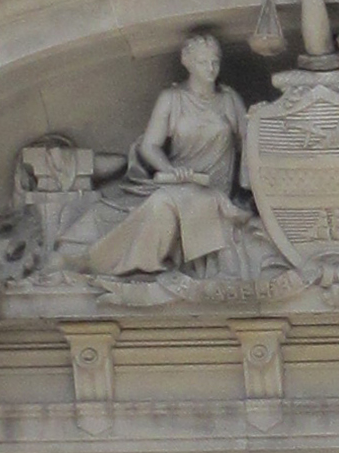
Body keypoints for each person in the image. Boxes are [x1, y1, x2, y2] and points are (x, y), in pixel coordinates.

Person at [81, 31, 250, 275]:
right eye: (203, 62)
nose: (211, 68)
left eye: (215, 62)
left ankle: (128, 265)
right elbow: (150, 146)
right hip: (179, 181)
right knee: (160, 202)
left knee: (163, 204)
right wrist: (171, 170)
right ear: (187, 63)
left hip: (213, 188)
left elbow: (248, 142)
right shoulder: (172, 99)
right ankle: (110, 264)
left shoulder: (229, 100)